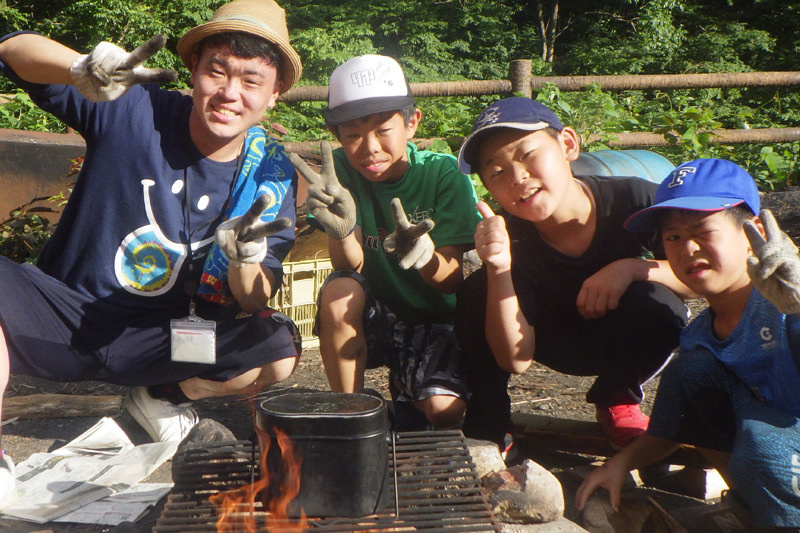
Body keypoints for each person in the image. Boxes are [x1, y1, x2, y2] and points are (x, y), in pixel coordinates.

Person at [0, 0, 304, 508]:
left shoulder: (270, 176)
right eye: (217, 72)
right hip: (66, 318)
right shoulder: (134, 109)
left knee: (276, 348)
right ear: (194, 72)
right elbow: (11, 48)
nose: (230, 93)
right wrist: (78, 68)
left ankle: (164, 397)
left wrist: (246, 256)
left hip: (161, 340)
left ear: (274, 95)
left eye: (251, 81)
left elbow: (253, 300)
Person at [454, 97, 692, 449]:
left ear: (567, 144)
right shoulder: (508, 235)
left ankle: (617, 397)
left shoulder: (632, 199)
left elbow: (695, 278)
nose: (517, 177)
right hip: (542, 339)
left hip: (617, 337)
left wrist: (631, 268)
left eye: (526, 154)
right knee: (478, 289)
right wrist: (500, 268)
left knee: (659, 303)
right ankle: (489, 421)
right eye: (497, 171)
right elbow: (516, 360)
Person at [575, 158, 800, 531]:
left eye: (703, 230)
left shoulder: (785, 296)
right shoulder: (700, 337)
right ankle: (757, 510)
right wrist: (616, 466)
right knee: (691, 371)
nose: (688, 248)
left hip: (780, 451)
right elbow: (669, 430)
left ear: (753, 231)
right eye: (674, 237)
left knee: (763, 448)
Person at [288, 54, 482, 430]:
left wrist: (424, 256)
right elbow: (350, 267)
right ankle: (351, 414)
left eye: (382, 129)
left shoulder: (442, 174)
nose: (369, 147)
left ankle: (410, 389)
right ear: (337, 136)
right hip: (374, 317)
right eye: (353, 135)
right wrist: (340, 229)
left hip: (433, 319)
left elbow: (452, 280)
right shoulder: (338, 172)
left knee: (444, 412)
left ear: (411, 123)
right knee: (340, 288)